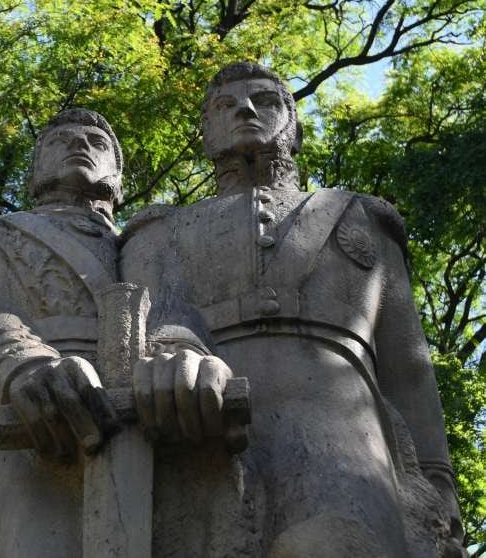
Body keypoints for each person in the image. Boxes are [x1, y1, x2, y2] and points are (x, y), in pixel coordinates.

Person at [120, 62, 464, 556]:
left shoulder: (362, 216)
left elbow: (408, 366)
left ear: (295, 127)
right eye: (225, 105)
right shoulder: (157, 232)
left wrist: (437, 479)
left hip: (346, 445)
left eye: (265, 100)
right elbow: (150, 323)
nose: (245, 108)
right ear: (205, 134)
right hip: (202, 435)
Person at [0, 109, 124, 557]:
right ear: (36, 171)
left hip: (145, 430)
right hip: (32, 429)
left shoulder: (151, 240)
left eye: (96, 143)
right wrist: (28, 371)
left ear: (117, 174)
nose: (79, 146)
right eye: (61, 141)